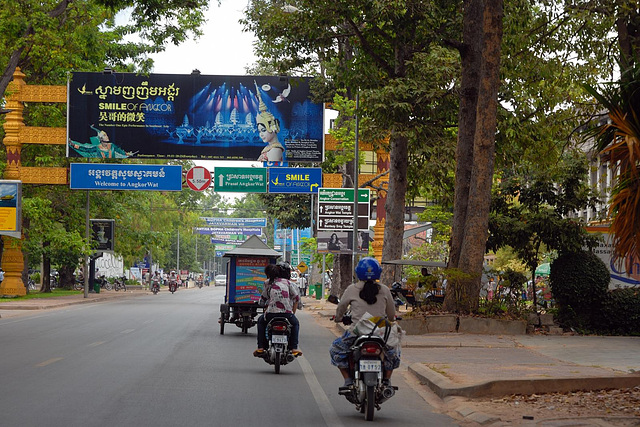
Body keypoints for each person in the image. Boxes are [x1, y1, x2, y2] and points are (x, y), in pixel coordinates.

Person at [330, 257, 400, 388]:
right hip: (380, 333)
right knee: (394, 352)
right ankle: (387, 380)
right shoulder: (384, 290)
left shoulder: (352, 289)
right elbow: (391, 315)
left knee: (335, 350)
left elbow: (341, 308)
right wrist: (390, 319)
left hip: (357, 332)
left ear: (358, 273)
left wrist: (338, 318)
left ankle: (348, 380)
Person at [254, 262, 301, 358]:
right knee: (295, 324)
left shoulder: (267, 283)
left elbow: (263, 299)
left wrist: (261, 304)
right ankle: (294, 348)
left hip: (271, 314)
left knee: (260, 321)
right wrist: (292, 313)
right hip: (287, 315)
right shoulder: (288, 283)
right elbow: (296, 298)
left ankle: (261, 347)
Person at [254, 81, 285, 163]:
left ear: (272, 127)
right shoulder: (270, 148)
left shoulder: (275, 150)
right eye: (259, 131)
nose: (261, 134)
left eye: (263, 130)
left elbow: (273, 173)